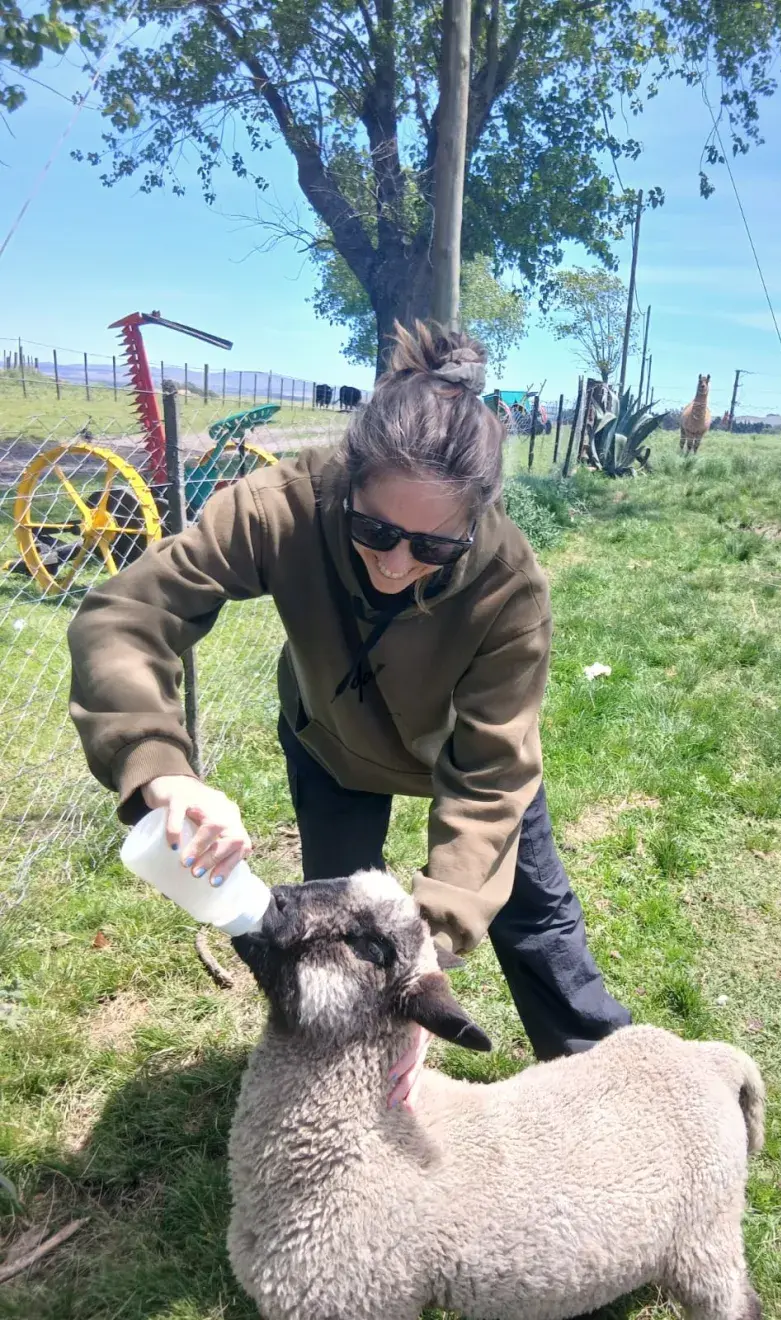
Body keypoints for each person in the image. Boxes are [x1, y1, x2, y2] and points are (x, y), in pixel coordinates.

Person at [68, 321, 631, 1107]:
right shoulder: (283, 507)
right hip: (330, 744)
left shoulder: (510, 586)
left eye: (433, 548)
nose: (397, 564)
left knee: (536, 922)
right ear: (346, 485)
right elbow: (126, 615)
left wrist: (430, 942)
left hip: (462, 758)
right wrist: (163, 772)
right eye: (374, 531)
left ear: (476, 523)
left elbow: (494, 777)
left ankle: (612, 1089)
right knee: (340, 932)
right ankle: (352, 1087)